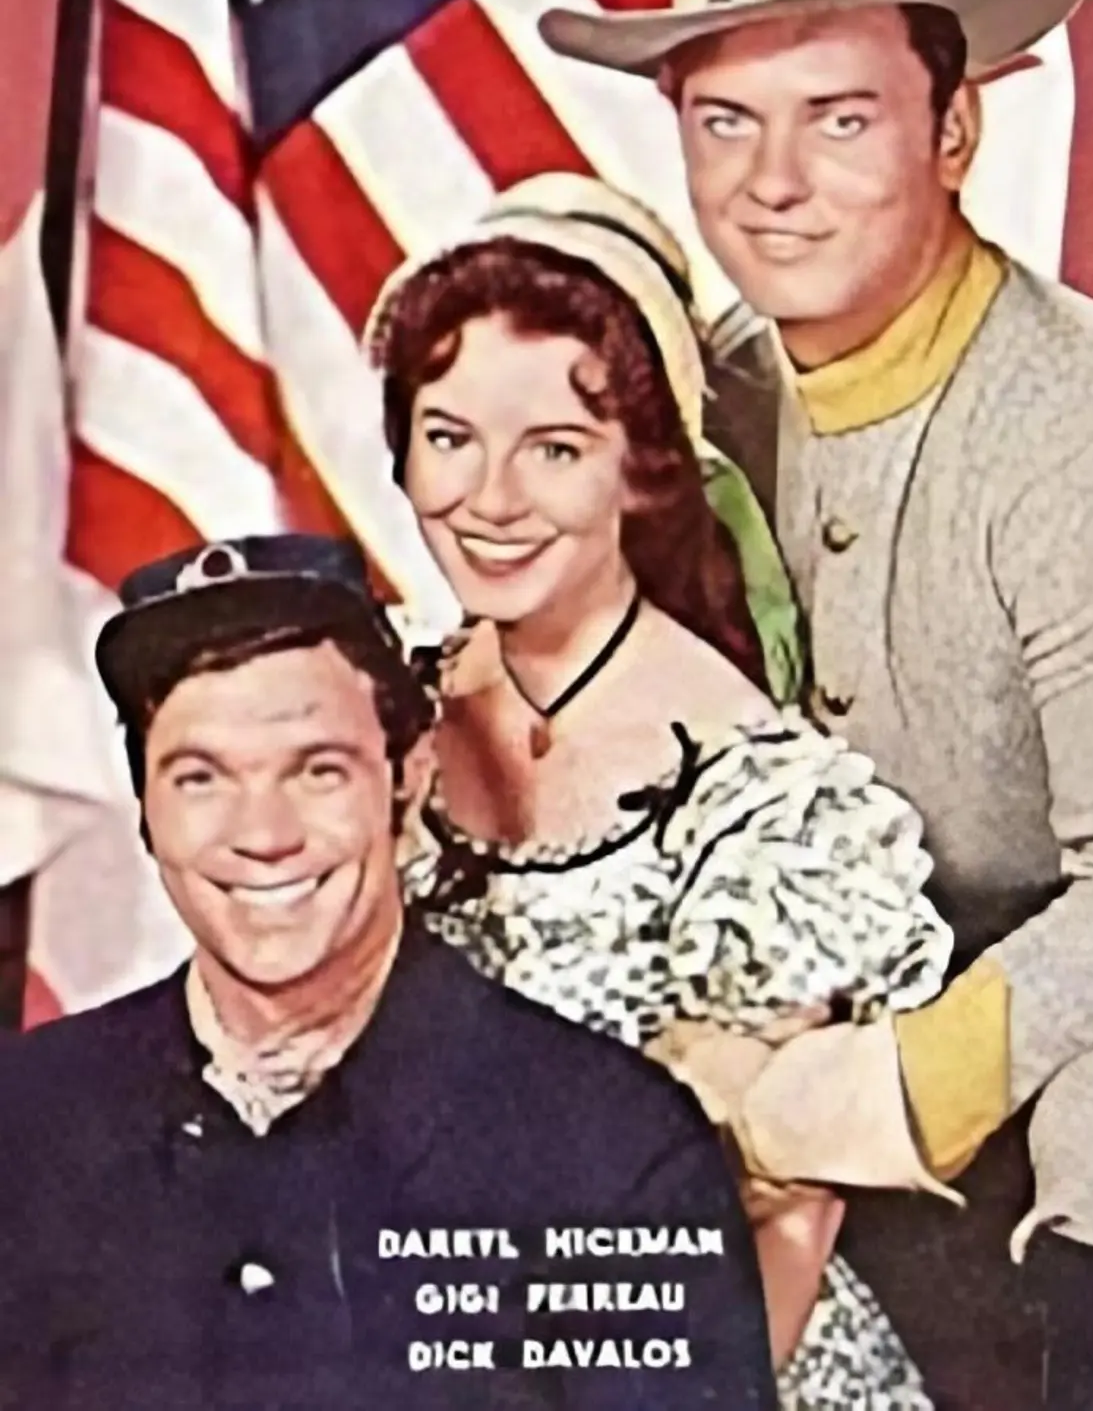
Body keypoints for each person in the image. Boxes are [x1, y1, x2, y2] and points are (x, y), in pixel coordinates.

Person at [537, 0, 1093, 1409]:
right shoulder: (711, 395)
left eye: (840, 117)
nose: (773, 185)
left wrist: (839, 1098)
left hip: (1077, 1044)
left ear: (954, 126)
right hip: (799, 1009)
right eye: (726, 120)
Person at [364, 174, 956, 1411]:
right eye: (449, 436)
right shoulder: (372, 696)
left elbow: (789, 1217)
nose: (490, 498)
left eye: (555, 449)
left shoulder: (764, 799)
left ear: (642, 468)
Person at [0, 533, 780, 1411]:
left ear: (406, 782)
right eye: (200, 777)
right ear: (145, 809)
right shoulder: (24, 1119)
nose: (264, 834)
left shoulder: (611, 1145)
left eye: (317, 770)